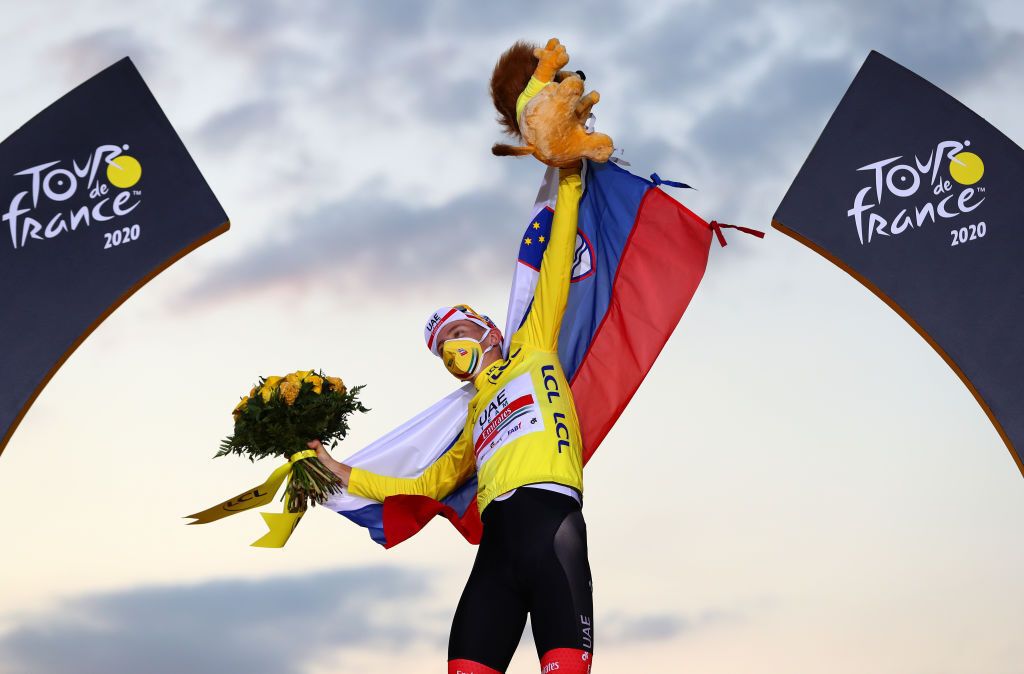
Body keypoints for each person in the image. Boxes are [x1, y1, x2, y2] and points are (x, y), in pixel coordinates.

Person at [309, 162, 593, 674]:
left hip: (550, 519)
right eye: (441, 349)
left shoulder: (533, 346)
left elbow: (555, 263)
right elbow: (424, 483)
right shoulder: (470, 422)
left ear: (487, 331)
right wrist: (339, 471)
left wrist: (569, 178)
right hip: (497, 546)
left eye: (457, 333)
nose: (450, 349)